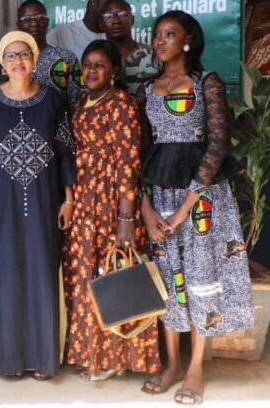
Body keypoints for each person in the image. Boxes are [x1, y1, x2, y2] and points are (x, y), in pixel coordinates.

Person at [136, 11, 253, 405]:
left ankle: (195, 369)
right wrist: (147, 209)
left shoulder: (207, 83)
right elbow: (142, 152)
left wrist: (184, 208)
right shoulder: (147, 88)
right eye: (156, 35)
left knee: (201, 276)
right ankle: (171, 364)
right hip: (160, 195)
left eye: (169, 34)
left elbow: (217, 145)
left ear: (188, 40)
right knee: (168, 279)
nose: (160, 41)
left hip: (200, 198)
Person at [0, 31, 75, 380]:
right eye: (9, 56)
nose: (17, 61)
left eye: (24, 54)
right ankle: (6, 359)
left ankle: (42, 357)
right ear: (1, 62)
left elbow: (67, 152)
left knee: (41, 271)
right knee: (3, 275)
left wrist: (69, 199)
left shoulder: (52, 101)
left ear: (36, 58)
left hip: (44, 200)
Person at [63, 40, 161, 381]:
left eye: (99, 65)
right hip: (83, 204)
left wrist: (125, 218)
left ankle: (119, 355)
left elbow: (128, 163)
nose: (90, 71)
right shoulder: (80, 101)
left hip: (109, 202)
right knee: (86, 276)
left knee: (114, 273)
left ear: (114, 72)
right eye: (86, 65)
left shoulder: (121, 104)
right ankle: (92, 352)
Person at [16, 0, 81, 109]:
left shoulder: (66, 58)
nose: (34, 24)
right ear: (19, 25)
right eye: (27, 19)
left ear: (47, 21)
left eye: (40, 18)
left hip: (57, 124)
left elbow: (77, 102)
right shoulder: (10, 61)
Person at [46, 0, 120, 60]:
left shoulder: (116, 37)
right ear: (93, 4)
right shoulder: (59, 35)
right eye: (109, 6)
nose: (113, 11)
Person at [98, 0, 158, 93]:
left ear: (132, 20)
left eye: (123, 14)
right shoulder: (95, 60)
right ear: (100, 23)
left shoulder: (155, 55)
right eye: (108, 16)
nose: (116, 21)